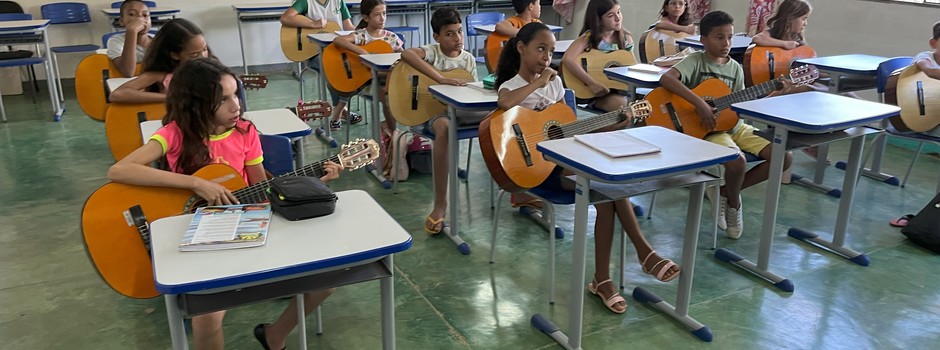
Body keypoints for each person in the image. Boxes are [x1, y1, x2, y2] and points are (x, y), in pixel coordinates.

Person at [108, 58, 343, 350]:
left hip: (245, 227)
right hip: (198, 238)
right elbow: (118, 170)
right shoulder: (175, 134)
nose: (237, 107)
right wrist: (196, 183)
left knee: (327, 281)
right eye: (223, 100)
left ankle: (275, 334)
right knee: (206, 320)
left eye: (236, 95)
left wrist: (314, 185)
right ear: (195, 103)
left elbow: (261, 190)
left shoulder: (245, 131)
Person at [497, 22, 680, 314]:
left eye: (550, 50)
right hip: (539, 170)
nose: (546, 56)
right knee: (608, 190)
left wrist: (612, 122)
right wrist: (539, 81)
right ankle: (642, 255)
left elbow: (566, 129)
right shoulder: (513, 85)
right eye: (540, 49)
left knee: (608, 195)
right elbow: (505, 103)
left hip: (564, 161)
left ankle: (604, 280)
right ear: (521, 48)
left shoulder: (556, 83)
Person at [659, 11, 793, 239]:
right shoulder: (695, 61)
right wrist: (700, 104)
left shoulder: (736, 68)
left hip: (735, 125)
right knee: (737, 162)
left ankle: (725, 192)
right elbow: (666, 79)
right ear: (704, 40)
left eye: (729, 37)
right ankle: (735, 206)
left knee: (785, 156)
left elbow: (743, 103)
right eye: (719, 37)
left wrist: (773, 91)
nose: (726, 43)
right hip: (709, 130)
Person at [397, 7, 487, 234]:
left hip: (459, 112)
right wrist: (440, 79)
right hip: (433, 113)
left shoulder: (467, 59)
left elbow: (472, 93)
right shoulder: (433, 52)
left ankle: (519, 189)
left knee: (497, 117)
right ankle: (440, 205)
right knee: (445, 128)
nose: (457, 38)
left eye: (459, 32)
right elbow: (406, 54)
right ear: (437, 37)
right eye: (449, 34)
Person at [750, 0, 846, 161]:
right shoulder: (773, 33)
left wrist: (831, 74)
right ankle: (809, 138)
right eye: (803, 18)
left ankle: (861, 116)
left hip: (793, 84)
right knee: (813, 91)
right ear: (789, 18)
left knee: (840, 89)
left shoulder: (799, 39)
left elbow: (809, 67)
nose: (805, 23)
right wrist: (784, 44)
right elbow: (758, 39)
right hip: (774, 87)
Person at [280, 0, 361, 130]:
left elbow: (349, 28)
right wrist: (312, 24)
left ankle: (339, 110)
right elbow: (286, 17)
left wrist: (367, 32)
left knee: (352, 68)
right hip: (314, 53)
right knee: (331, 68)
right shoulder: (305, 2)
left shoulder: (338, 2)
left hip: (337, 51)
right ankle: (340, 110)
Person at [330, 0, 404, 131]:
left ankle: (390, 129)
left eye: (385, 13)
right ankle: (393, 133)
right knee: (387, 97)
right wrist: (362, 51)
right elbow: (338, 40)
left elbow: (404, 57)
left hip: (386, 80)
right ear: (365, 17)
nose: (382, 18)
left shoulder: (391, 37)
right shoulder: (361, 35)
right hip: (367, 83)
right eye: (377, 15)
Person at [109, 18, 211, 104]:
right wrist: (171, 98)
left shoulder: (211, 71)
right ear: (174, 54)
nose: (203, 57)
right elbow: (116, 95)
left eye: (205, 49)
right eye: (194, 55)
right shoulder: (161, 75)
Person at [561, 0, 634, 112]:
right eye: (610, 15)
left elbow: (632, 65)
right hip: (595, 94)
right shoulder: (589, 38)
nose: (618, 18)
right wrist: (591, 83)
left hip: (620, 91)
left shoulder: (626, 39)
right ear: (598, 20)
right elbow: (568, 59)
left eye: (619, 12)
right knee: (627, 108)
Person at [107, 0, 153, 77]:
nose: (140, 19)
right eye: (132, 14)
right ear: (122, 21)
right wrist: (132, 31)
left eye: (145, 15)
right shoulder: (115, 41)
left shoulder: (159, 40)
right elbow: (128, 72)